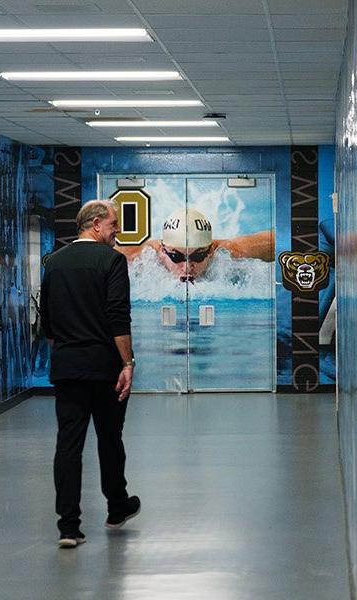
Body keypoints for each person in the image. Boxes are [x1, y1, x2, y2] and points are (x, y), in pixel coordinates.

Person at [40, 200, 141, 548]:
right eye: (113, 224)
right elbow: (118, 317)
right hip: (104, 368)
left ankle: (68, 527)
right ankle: (116, 506)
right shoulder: (112, 261)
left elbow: (48, 324)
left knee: (68, 445)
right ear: (96, 224)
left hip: (67, 367)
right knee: (110, 439)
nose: (117, 231)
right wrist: (127, 363)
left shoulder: (52, 263)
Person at [117, 207, 274, 283]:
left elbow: (280, 240)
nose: (187, 267)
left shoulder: (229, 251)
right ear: (162, 251)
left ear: (210, 250)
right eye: (176, 256)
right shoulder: (139, 257)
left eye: (197, 256)